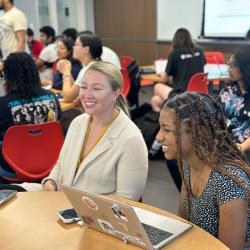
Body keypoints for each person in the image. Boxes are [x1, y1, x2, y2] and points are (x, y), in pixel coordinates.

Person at [7, 61, 148, 201]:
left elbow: (125, 202)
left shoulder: (131, 139)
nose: (87, 94)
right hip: (59, 196)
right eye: (84, 87)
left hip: (92, 214)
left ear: (115, 94)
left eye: (97, 89)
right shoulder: (78, 122)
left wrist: (80, 208)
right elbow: (61, 163)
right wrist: (51, 181)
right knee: (6, 193)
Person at [156, 92, 250, 250]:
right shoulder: (188, 163)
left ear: (195, 133)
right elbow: (184, 224)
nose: (158, 137)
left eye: (166, 130)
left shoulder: (228, 182)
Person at [0, 52, 61, 177]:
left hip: (13, 166)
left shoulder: (3, 104)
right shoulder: (52, 96)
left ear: (8, 75)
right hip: (51, 162)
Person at [151, 28, 206, 112]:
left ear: (175, 40)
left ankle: (171, 116)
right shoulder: (200, 51)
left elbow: (165, 79)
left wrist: (162, 74)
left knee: (157, 86)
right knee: (155, 100)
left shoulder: (174, 54)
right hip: (199, 95)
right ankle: (173, 116)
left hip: (181, 95)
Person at [217, 45, 250, 162]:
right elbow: (216, 120)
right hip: (226, 145)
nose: (228, 69)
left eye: (233, 65)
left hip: (245, 148)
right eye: (228, 64)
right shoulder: (227, 92)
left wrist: (240, 147)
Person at [57, 33, 103, 102]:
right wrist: (68, 72)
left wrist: (66, 74)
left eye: (77, 45)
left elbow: (67, 98)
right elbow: (76, 90)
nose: (73, 47)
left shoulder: (88, 70)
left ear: (86, 49)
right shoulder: (94, 65)